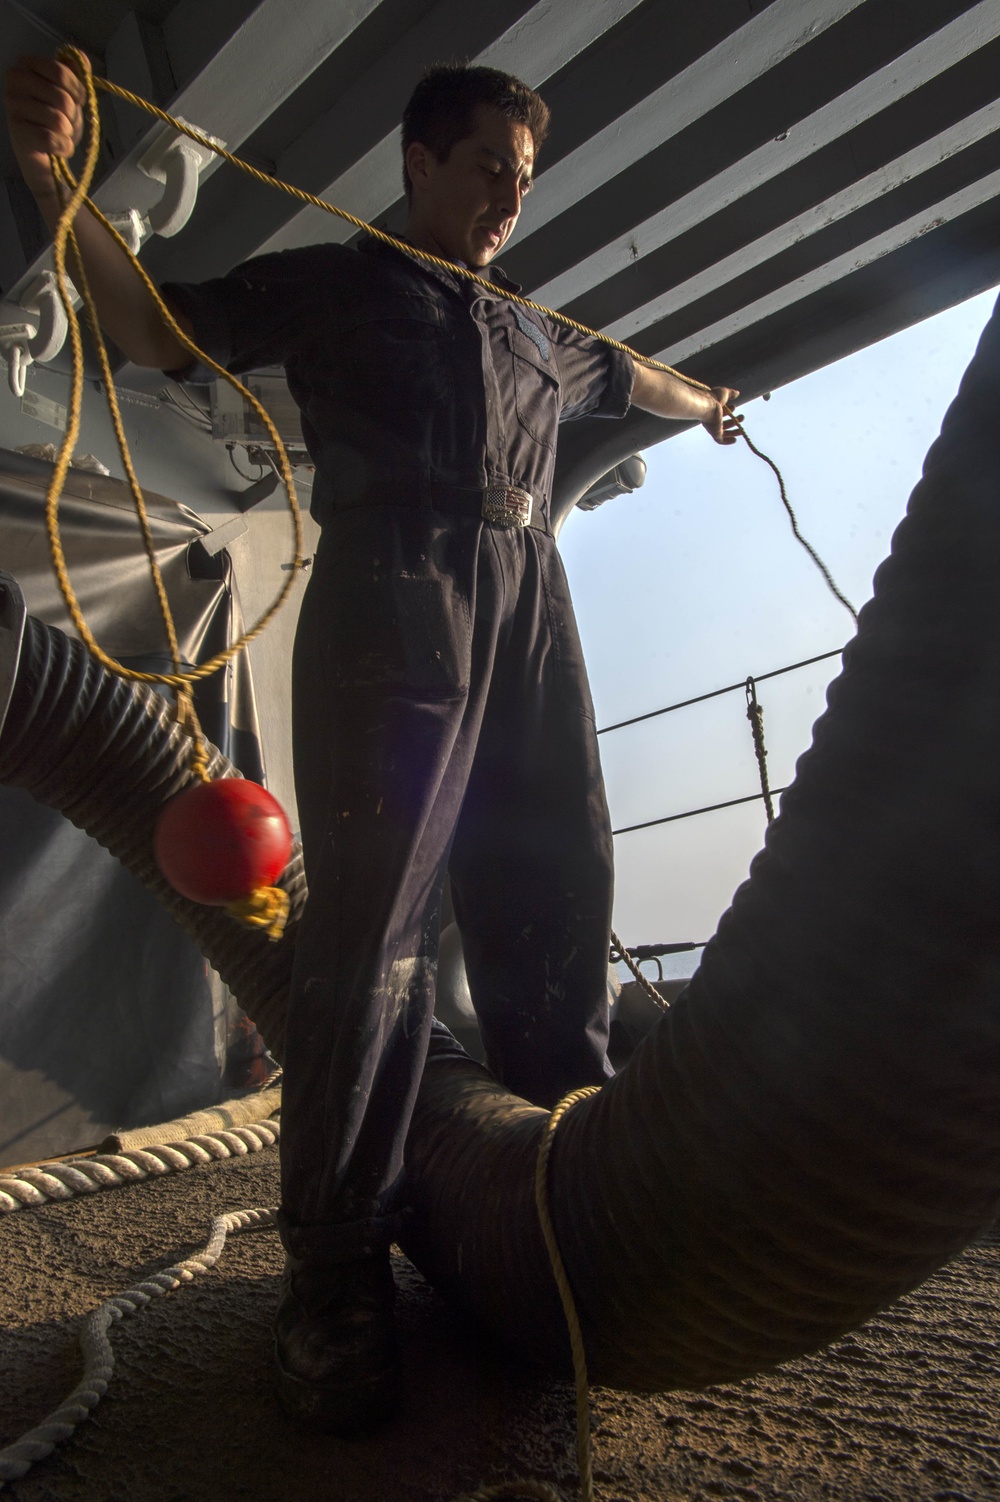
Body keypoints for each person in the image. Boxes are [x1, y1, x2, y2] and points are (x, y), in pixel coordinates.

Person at [5, 55, 740, 1433]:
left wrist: (709, 403)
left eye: (523, 182)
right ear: (417, 161)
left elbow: (625, 371)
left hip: (532, 596)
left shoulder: (533, 327)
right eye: (486, 173)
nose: (509, 202)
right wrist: (51, 185)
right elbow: (156, 330)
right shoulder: (336, 283)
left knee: (559, 878)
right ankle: (334, 1272)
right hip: (396, 579)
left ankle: (556, 1200)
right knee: (376, 924)